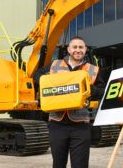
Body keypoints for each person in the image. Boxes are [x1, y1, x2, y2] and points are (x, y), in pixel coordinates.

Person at [34, 36, 103, 168]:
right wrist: (47, 82)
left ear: (85, 49)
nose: (78, 50)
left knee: (80, 165)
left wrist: (91, 90)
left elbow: (102, 90)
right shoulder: (55, 65)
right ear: (69, 49)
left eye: (81, 47)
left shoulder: (92, 70)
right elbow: (37, 76)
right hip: (57, 123)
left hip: (80, 125)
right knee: (58, 164)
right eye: (75, 47)